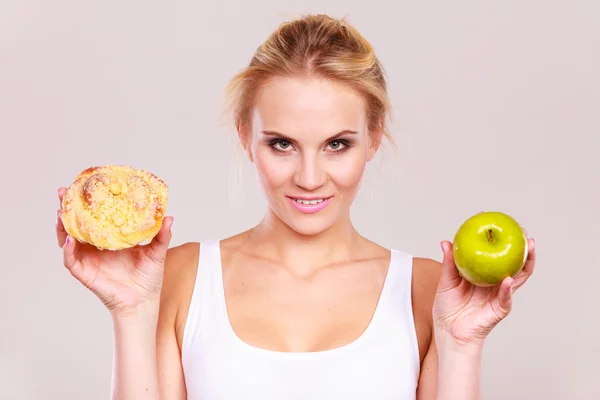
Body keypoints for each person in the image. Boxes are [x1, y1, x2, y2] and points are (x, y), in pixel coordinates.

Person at [55, 14, 536, 400]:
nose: (309, 178)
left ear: (373, 137)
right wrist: (131, 313)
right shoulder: (180, 277)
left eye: (337, 145)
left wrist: (462, 342)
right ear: (246, 136)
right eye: (282, 144)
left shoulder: (429, 289)